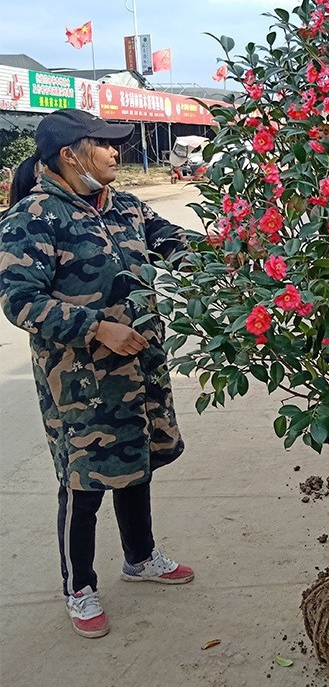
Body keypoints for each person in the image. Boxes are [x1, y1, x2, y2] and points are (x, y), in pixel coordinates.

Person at [0, 109, 193, 639]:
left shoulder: (123, 205)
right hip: (81, 381)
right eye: (104, 145)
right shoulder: (34, 217)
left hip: (140, 366)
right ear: (70, 155)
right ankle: (78, 587)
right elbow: (19, 300)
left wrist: (233, 250)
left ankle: (140, 556)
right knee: (83, 482)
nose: (116, 153)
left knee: (137, 461)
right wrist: (95, 328)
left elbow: (171, 241)